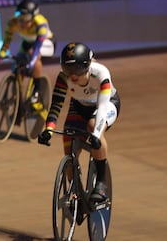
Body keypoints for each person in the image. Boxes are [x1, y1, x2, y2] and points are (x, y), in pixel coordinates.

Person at [38, 42, 121, 203]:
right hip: (79, 106)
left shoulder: (101, 73)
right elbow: (56, 105)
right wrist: (48, 129)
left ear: (88, 67)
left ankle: (102, 183)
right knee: (69, 147)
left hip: (106, 104)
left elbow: (102, 107)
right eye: (68, 71)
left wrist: (96, 134)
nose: (72, 77)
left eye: (76, 71)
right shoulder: (64, 78)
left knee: (92, 127)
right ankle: (75, 192)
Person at [0, 0, 55, 104]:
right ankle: (16, 98)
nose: (22, 21)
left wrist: (31, 64)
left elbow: (37, 47)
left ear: (34, 17)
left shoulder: (40, 23)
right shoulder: (13, 22)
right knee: (17, 65)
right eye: (19, 16)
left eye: (26, 18)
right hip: (27, 43)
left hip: (45, 43)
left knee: (32, 54)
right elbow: (6, 44)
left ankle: (37, 91)